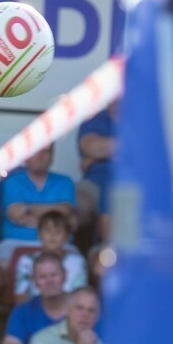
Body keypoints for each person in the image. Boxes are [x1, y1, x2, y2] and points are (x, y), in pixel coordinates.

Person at [11, 212, 88, 304]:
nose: (52, 236)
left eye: (58, 232)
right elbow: (20, 295)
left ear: (67, 237)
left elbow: (80, 296)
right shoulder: (26, 261)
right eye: (47, 231)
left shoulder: (77, 262)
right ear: (39, 234)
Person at [76, 102, 118, 243]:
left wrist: (103, 150)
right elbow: (90, 147)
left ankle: (113, 254)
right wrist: (131, 149)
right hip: (95, 182)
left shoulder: (140, 118)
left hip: (131, 181)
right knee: (73, 201)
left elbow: (149, 152)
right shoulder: (94, 118)